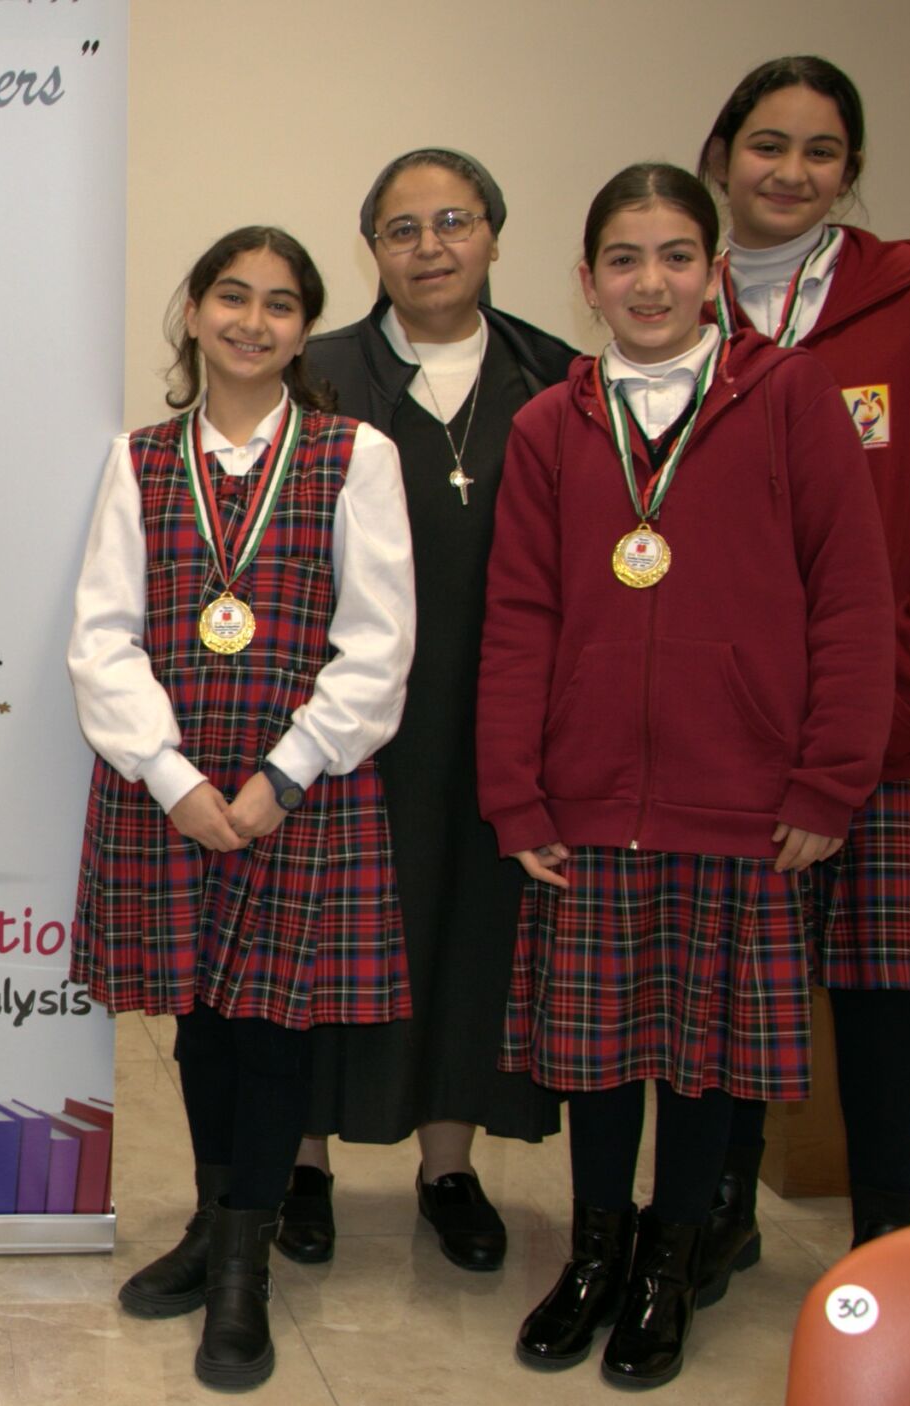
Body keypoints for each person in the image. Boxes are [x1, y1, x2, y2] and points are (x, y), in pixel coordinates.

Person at [482, 162, 891, 1389]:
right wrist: (517, 790)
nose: (648, 282)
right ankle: (594, 1250)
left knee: (705, 1055)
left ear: (713, 271)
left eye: (673, 256)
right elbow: (518, 618)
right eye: (623, 258)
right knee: (597, 1050)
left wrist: (826, 781)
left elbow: (851, 598)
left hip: (742, 797)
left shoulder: (789, 397)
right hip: (589, 798)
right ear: (586, 278)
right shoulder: (549, 425)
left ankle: (670, 1258)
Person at [71, 226, 415, 1391]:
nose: (251, 321)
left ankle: (241, 1266)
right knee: (202, 1020)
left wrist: (285, 773)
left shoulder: (354, 454)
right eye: (231, 296)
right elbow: (102, 635)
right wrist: (170, 777)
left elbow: (378, 641)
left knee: (272, 1027)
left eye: (279, 303)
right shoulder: (138, 459)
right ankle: (215, 1219)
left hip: (295, 786)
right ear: (194, 312)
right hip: (175, 786)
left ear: (304, 328)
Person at [695, 55, 910, 1274]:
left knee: (881, 991)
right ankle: (719, 1212)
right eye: (766, 144)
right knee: (731, 984)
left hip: (889, 719)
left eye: (820, 151)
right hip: (730, 731)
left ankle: (887, 1231)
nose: (789, 171)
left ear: (850, 171)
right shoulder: (679, 299)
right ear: (720, 157)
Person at [285, 149, 575, 1272]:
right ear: (372, 250)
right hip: (347, 719)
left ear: (495, 233)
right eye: (402, 229)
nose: (430, 247)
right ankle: (303, 1161)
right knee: (325, 938)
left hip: (494, 714)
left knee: (473, 933)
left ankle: (448, 1166)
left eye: (454, 221)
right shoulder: (317, 374)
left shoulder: (556, 378)